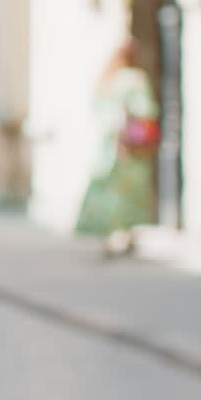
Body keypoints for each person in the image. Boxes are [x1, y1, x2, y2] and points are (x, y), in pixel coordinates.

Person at [75, 37, 160, 256]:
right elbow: (145, 110)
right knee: (130, 191)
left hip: (107, 147)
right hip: (129, 147)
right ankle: (124, 234)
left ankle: (109, 234)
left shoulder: (107, 80)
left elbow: (99, 112)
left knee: (108, 188)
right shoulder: (134, 80)